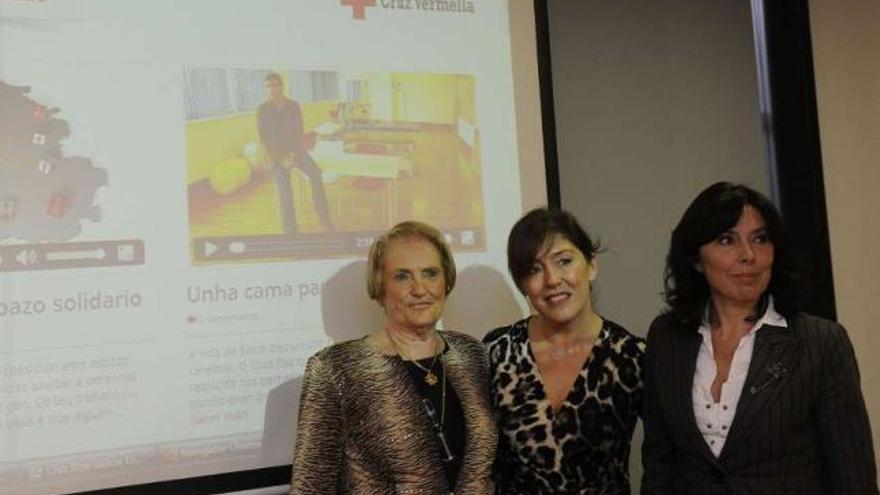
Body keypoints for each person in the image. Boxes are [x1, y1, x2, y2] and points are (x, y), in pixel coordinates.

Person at [641, 182, 878, 494]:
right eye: (727, 240)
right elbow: (660, 464)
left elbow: (853, 476)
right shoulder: (667, 337)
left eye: (760, 239)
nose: (748, 255)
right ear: (696, 259)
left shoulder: (821, 342)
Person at [290, 221, 497, 494]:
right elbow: (311, 486)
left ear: (446, 281)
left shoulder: (471, 354)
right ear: (380, 287)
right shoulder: (335, 369)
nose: (420, 288)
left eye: (430, 273)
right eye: (402, 276)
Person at [483, 208, 645, 494]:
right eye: (534, 269)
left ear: (591, 265)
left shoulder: (633, 356)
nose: (552, 280)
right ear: (523, 285)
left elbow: (670, 457)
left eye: (564, 261)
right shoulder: (497, 351)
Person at [256, 71, 333, 234]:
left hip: (295, 151)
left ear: (281, 87)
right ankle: (290, 231)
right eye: (268, 86)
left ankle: (324, 218)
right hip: (276, 157)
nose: (272, 89)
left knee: (316, 173)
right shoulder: (262, 110)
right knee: (285, 193)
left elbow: (298, 133)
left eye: (275, 85)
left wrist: (292, 156)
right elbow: (265, 139)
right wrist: (281, 159)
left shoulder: (293, 106)